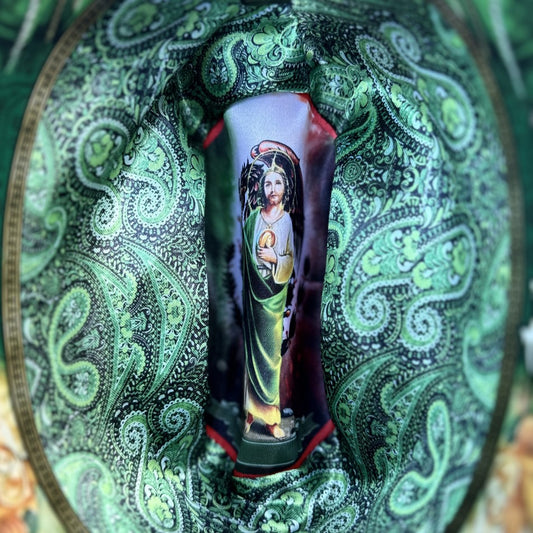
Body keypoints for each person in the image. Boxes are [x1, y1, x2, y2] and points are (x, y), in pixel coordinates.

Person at [242, 160, 294, 440]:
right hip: (253, 294)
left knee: (271, 358)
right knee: (251, 357)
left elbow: (290, 260)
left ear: (285, 188)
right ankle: (250, 412)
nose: (273, 189)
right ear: (262, 188)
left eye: (278, 183)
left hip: (273, 297)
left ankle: (272, 419)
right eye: (268, 183)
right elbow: (245, 254)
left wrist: (275, 259)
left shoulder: (286, 221)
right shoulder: (254, 218)